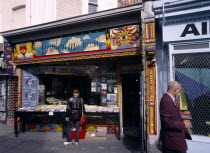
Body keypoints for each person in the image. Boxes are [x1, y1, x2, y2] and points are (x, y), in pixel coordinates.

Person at [160, 81, 192, 153]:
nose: (179, 92)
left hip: (175, 140)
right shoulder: (166, 100)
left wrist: (182, 116)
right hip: (172, 141)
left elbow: (172, 115)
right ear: (176, 89)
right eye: (179, 90)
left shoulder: (171, 99)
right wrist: (184, 125)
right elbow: (167, 122)